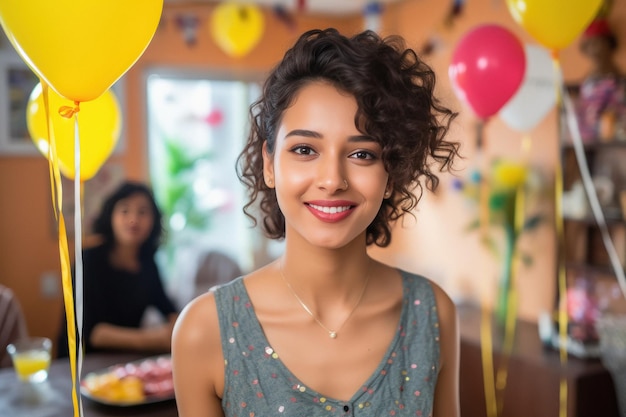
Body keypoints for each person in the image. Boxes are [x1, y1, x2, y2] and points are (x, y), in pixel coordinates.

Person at [172, 28, 461, 417]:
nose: (332, 179)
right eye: (305, 149)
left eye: (362, 154)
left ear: (391, 173)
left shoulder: (433, 314)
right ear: (271, 164)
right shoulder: (205, 330)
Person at [57, 181, 178, 357]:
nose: (133, 219)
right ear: (111, 216)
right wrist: (154, 340)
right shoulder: (88, 260)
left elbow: (167, 308)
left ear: (154, 221)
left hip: (126, 362)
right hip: (80, 364)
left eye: (143, 212)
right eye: (124, 210)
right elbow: (93, 334)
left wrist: (178, 326)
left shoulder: (148, 263)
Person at [576, 18, 626, 142]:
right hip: (590, 139)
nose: (594, 50)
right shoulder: (588, 78)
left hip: (614, 136)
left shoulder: (615, 78)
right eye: (591, 45)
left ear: (608, 45)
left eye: (597, 43)